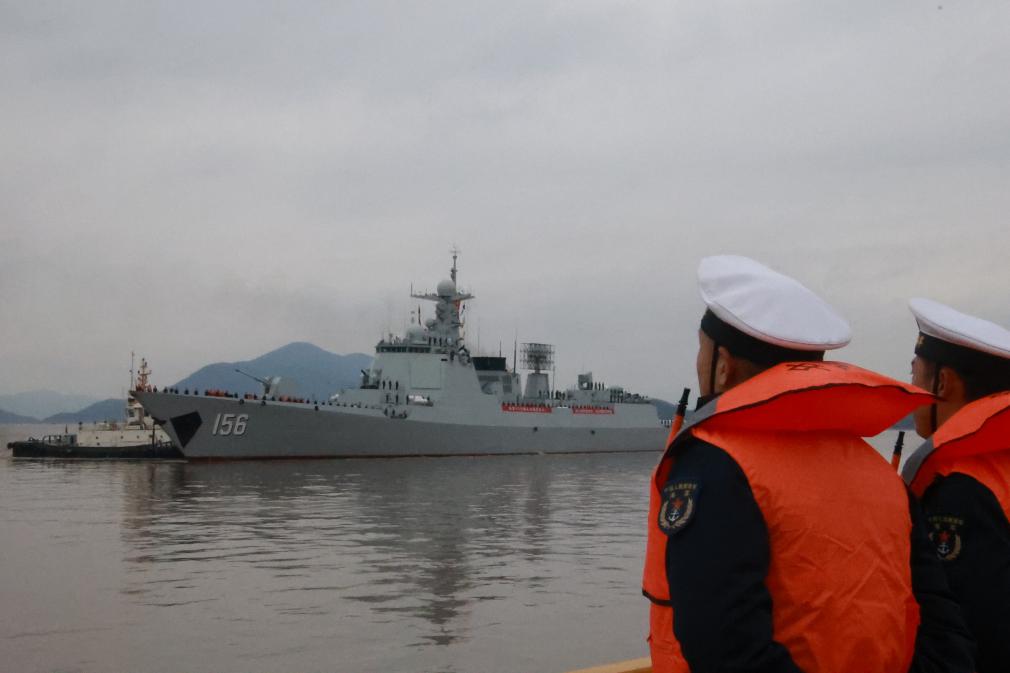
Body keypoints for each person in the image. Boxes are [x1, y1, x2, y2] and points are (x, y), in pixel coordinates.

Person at [642, 256, 974, 673]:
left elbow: (725, 648)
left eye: (701, 350)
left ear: (722, 367)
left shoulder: (716, 465)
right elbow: (943, 627)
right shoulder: (879, 474)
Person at [901, 298, 1010, 673]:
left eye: (915, 374)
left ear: (943, 383)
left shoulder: (959, 489)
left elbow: (975, 629)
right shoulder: (999, 465)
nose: (911, 389)